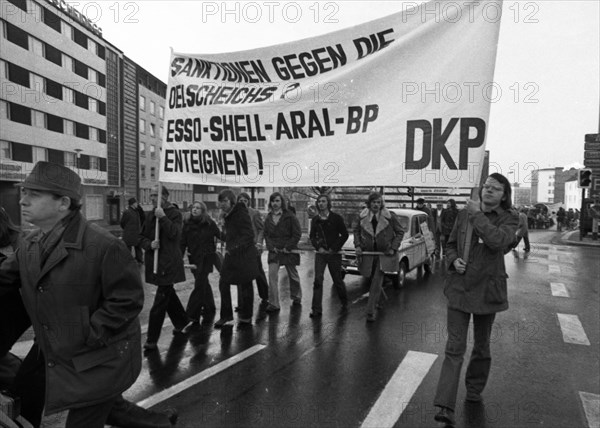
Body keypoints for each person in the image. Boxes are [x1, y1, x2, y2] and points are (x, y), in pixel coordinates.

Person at [0, 162, 147, 427]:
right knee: (104, 406)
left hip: (99, 359)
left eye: (33, 194)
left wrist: (89, 334)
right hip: (59, 355)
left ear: (63, 203)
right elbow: (3, 278)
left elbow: (128, 300)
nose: (22, 201)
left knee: (89, 411)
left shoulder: (105, 245)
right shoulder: (30, 244)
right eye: (24, 192)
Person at [433, 173, 519, 426]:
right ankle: (445, 406)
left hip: (487, 291)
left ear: (504, 195)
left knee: (481, 346)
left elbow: (498, 242)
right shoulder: (464, 214)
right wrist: (452, 259)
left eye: (495, 188)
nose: (488, 190)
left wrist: (477, 215)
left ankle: (473, 390)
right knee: (454, 347)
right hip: (460, 289)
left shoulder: (509, 217)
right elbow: (450, 244)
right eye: (486, 186)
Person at [140, 186, 189, 351]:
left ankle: (152, 339)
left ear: (165, 197)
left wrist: (163, 218)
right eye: (151, 195)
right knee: (168, 294)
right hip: (156, 262)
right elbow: (141, 237)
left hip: (168, 263)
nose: (153, 198)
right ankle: (182, 320)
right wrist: (149, 244)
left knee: (160, 301)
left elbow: (175, 234)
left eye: (156, 195)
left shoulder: (174, 214)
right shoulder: (149, 214)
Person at [354, 192, 404, 322]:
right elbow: (356, 231)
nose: (376, 205)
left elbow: (400, 232)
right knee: (373, 280)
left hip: (384, 254)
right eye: (374, 202)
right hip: (369, 254)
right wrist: (358, 245)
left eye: (378, 202)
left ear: (381, 204)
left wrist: (393, 247)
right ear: (369, 204)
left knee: (376, 281)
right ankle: (380, 300)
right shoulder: (362, 217)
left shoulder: (390, 217)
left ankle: (370, 311)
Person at [214, 189, 259, 328]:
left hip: (244, 255)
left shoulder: (240, 212)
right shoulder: (228, 215)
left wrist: (233, 248)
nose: (222, 204)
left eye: (225, 201)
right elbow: (230, 236)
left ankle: (246, 315)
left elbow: (248, 235)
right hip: (232, 254)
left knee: (245, 284)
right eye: (220, 201)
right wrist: (217, 229)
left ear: (232, 201)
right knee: (224, 282)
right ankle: (226, 315)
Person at [308, 193, 349, 318]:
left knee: (337, 280)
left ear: (328, 203)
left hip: (334, 254)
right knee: (318, 280)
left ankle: (344, 302)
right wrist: (318, 247)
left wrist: (333, 248)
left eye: (323, 201)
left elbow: (345, 235)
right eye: (319, 201)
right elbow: (312, 236)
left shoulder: (336, 218)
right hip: (320, 254)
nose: (321, 203)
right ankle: (316, 309)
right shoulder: (315, 220)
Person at [180, 201, 221, 326]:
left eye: (198, 208)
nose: (195, 209)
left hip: (207, 258)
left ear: (203, 211)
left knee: (199, 285)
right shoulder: (187, 224)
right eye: (193, 207)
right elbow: (182, 242)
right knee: (202, 283)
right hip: (194, 259)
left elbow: (220, 235)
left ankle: (191, 315)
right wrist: (179, 257)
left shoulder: (209, 223)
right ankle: (210, 307)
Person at [264, 192, 302, 311]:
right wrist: (271, 247)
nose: (275, 203)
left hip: (288, 250)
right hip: (274, 251)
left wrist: (288, 247)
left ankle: (296, 296)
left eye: (277, 201)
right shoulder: (268, 217)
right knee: (272, 277)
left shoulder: (290, 216)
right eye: (273, 201)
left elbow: (297, 234)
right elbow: (266, 235)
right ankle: (274, 304)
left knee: (293, 275)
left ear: (282, 202)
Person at [237, 192, 271, 321]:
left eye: (245, 200)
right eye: (240, 200)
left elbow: (261, 229)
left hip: (253, 247)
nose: (242, 202)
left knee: (257, 272)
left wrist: (258, 243)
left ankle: (265, 294)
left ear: (248, 202)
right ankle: (242, 303)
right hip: (240, 249)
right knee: (241, 275)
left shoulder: (254, 213)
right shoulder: (235, 214)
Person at [121, 197, 144, 264]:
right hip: (129, 234)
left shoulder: (136, 211)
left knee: (138, 247)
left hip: (137, 233)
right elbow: (122, 223)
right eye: (136, 203)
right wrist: (127, 229)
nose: (137, 204)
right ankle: (127, 261)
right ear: (132, 204)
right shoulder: (127, 212)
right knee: (128, 248)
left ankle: (139, 260)